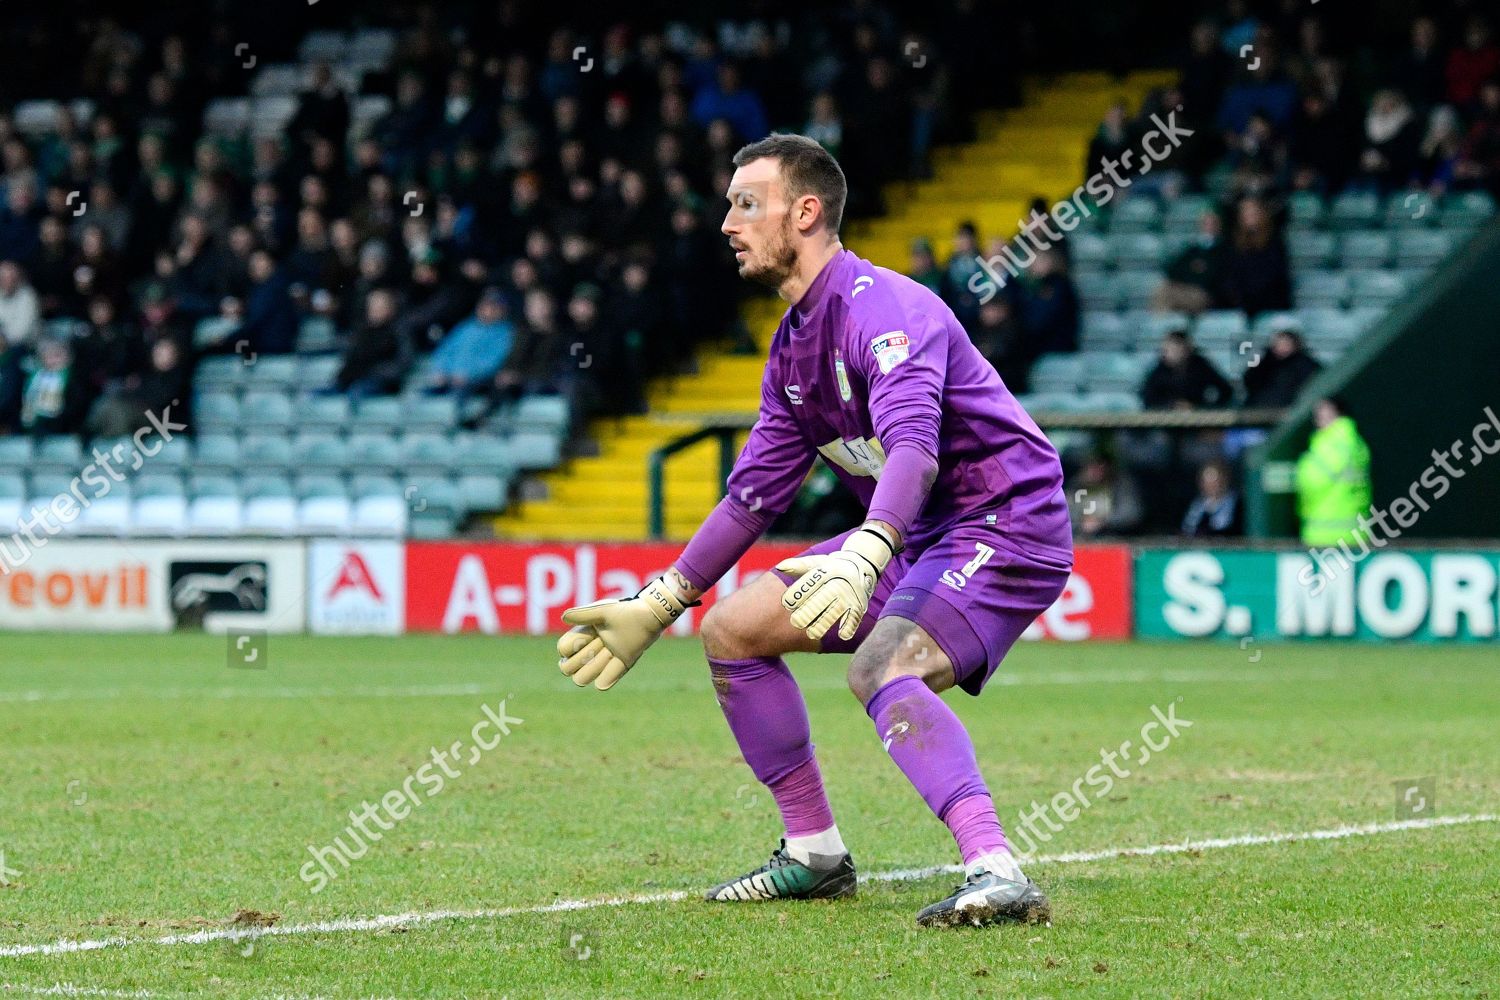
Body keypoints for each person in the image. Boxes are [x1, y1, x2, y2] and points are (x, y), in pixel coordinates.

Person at [555, 134, 1072, 928]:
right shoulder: (792, 350)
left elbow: (914, 448)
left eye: (746, 204)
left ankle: (995, 869)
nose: (728, 223)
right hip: (915, 535)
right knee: (732, 631)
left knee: (881, 665)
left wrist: (869, 548)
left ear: (804, 212)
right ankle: (816, 855)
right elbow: (749, 500)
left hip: (1003, 519)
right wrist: (661, 602)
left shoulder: (885, 309)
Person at [1296, 397, 1371, 547]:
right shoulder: (1357, 444)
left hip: (1325, 535)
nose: (1319, 419)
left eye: (1324, 413)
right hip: (1357, 533)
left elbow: (1310, 483)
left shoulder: (1328, 445)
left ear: (1338, 414)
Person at [1141, 330, 1233, 409]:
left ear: (1185, 349)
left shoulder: (1200, 366)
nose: (1166, 354)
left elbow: (1225, 390)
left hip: (1199, 416)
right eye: (1165, 350)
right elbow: (1148, 398)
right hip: (1167, 419)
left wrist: (1201, 406)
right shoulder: (1160, 370)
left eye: (1172, 350)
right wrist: (1172, 405)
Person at [1243, 328, 1321, 408]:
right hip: (1257, 407)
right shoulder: (1265, 362)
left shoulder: (1304, 364)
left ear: (1295, 345)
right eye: (1278, 343)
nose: (1281, 347)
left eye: (1286, 344)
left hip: (1289, 408)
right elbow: (1249, 382)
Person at [1181, 460, 1242, 537]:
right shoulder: (1198, 504)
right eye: (1207, 481)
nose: (1211, 485)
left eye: (1214, 481)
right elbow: (1188, 528)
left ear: (1224, 480)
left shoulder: (1236, 503)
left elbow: (1225, 527)